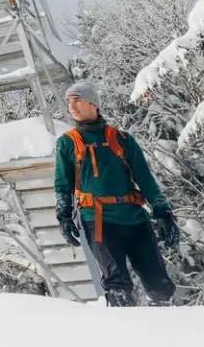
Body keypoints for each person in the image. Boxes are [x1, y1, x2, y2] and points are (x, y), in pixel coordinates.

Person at [53, 80, 181, 306]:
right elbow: (63, 185)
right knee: (117, 284)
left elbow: (146, 180)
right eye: (69, 102)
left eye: (77, 100)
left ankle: (167, 331)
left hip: (135, 218)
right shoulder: (67, 143)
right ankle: (125, 336)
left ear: (94, 104)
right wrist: (64, 217)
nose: (72, 107)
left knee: (158, 283)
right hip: (99, 221)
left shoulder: (122, 139)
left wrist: (163, 212)